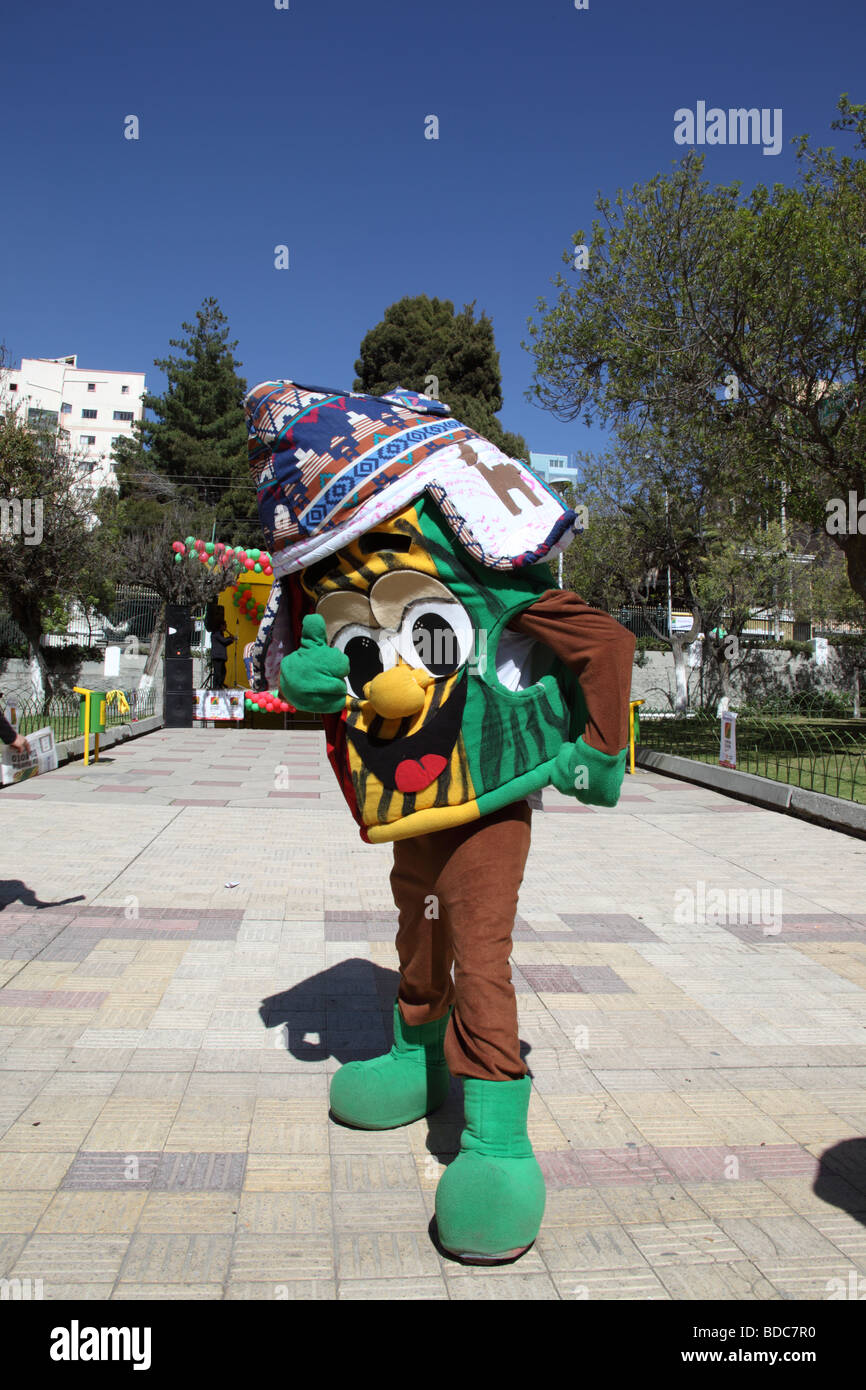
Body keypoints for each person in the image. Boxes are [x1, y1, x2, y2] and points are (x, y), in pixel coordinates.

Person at [244, 377, 635, 1264]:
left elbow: (605, 643)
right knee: (416, 933)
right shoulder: (338, 580)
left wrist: (597, 753)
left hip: (486, 800)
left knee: (479, 948)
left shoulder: (484, 574)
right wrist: (309, 682)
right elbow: (307, 665)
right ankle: (418, 1056)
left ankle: (497, 1131)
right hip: (412, 801)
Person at [209, 623, 236, 689]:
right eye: (225, 626)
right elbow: (224, 641)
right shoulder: (216, 633)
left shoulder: (220, 634)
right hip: (217, 656)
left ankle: (220, 685)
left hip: (220, 656)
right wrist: (231, 638)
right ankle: (216, 686)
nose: (225, 628)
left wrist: (231, 639)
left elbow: (223, 643)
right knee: (218, 672)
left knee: (223, 672)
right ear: (221, 626)